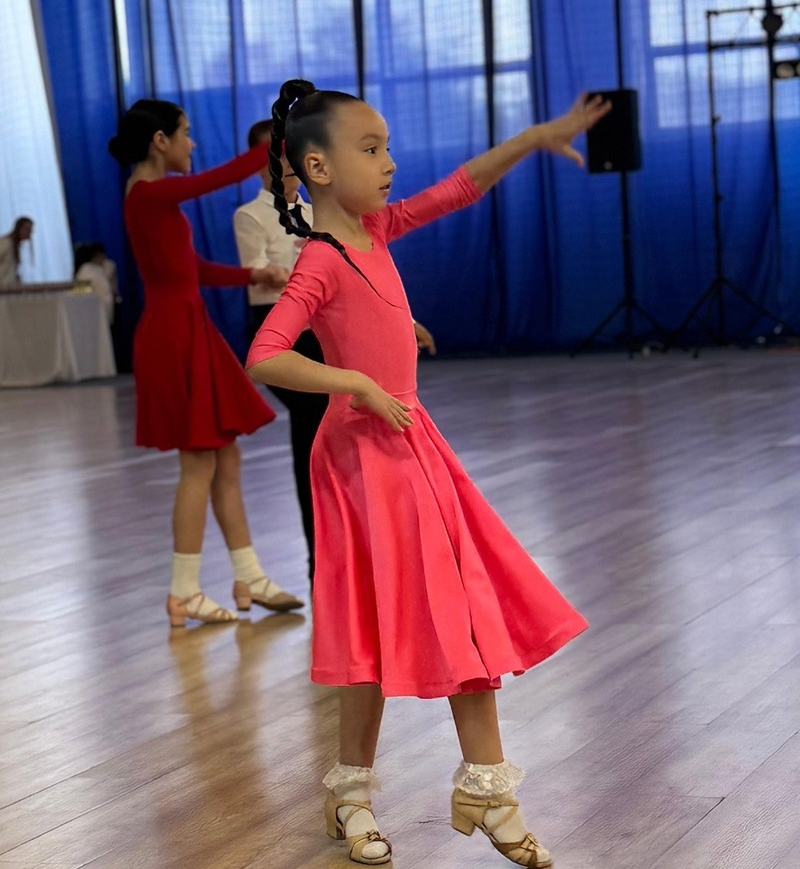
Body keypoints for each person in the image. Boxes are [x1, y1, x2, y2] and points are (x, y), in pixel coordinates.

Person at [246, 79, 610, 866]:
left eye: (387, 147)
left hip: (410, 443)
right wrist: (356, 380)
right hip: (363, 459)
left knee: (457, 610)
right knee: (393, 627)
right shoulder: (319, 261)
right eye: (370, 149)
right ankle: (388, 792)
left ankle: (466, 787)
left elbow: (459, 187)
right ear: (317, 166)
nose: (389, 163)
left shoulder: (375, 230)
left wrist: (534, 138)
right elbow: (265, 355)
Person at [107, 99, 304, 628]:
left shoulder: (153, 201)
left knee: (226, 458)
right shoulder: (148, 193)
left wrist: (253, 276)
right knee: (198, 463)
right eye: (186, 132)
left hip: (188, 329)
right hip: (173, 338)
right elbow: (220, 177)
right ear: (160, 141)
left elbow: (189, 269)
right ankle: (184, 591)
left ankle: (249, 576)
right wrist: (278, 140)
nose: (192, 143)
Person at [234, 119, 437, 582]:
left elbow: (353, 287)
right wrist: (308, 272)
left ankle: (364, 558)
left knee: (338, 439)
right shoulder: (251, 215)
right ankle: (326, 564)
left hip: (324, 333)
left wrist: (400, 322)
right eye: (277, 155)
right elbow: (261, 276)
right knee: (316, 435)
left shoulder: (320, 212)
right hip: (288, 336)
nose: (287, 163)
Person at [74, 241, 119, 324]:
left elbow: (112, 286)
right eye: (98, 256)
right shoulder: (85, 270)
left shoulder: (107, 267)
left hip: (106, 307)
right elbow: (80, 293)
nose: (102, 258)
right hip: (92, 310)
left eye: (102, 255)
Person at [0, 217, 34, 288]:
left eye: (30, 231)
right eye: (27, 230)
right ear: (19, 229)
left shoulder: (15, 246)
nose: (29, 233)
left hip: (10, 288)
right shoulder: (6, 243)